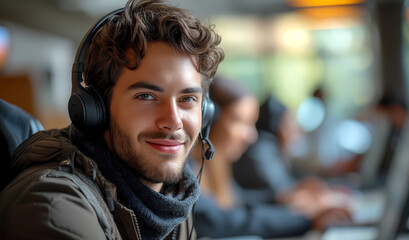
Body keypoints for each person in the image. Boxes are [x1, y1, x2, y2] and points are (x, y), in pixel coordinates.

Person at [0, 0, 224, 239]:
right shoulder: (53, 208)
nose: (173, 121)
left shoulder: (168, 200)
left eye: (187, 99)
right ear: (96, 109)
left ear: (205, 110)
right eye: (146, 96)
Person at [190, 77, 351, 239]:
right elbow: (218, 221)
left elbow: (240, 205)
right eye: (241, 122)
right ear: (207, 119)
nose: (252, 137)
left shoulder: (217, 170)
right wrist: (305, 220)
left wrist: (285, 200)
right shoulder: (187, 171)